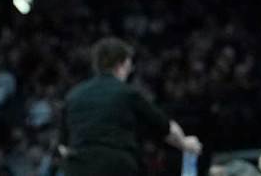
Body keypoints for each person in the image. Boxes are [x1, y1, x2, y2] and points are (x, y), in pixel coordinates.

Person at [59, 37, 203, 176]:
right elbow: (165, 127)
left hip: (77, 168)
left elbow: (63, 146)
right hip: (116, 167)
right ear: (123, 63)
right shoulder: (127, 93)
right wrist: (185, 143)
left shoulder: (73, 96)